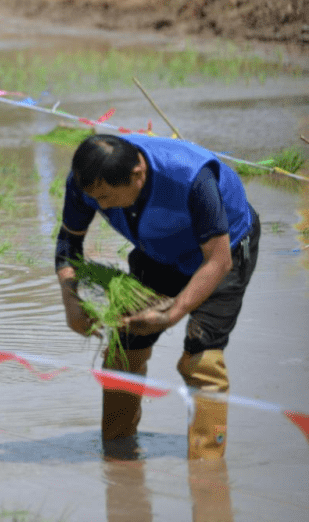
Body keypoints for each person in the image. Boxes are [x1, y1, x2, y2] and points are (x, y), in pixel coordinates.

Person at [55, 134, 259, 460]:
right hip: (160, 250)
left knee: (202, 359)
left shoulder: (191, 179)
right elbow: (68, 245)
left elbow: (218, 261)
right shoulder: (87, 182)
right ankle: (118, 455)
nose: (101, 207)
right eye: (95, 198)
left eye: (106, 198)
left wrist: (170, 314)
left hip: (225, 248)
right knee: (123, 347)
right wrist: (72, 304)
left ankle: (206, 467)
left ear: (138, 174)